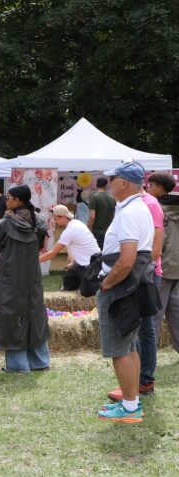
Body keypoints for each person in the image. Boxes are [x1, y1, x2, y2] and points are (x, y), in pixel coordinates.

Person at [96, 161, 158, 423]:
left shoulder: (130, 212)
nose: (110, 183)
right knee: (130, 347)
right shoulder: (138, 207)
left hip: (121, 287)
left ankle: (130, 408)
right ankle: (131, 403)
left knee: (119, 350)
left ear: (123, 182)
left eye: (113, 179)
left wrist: (107, 284)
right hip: (132, 285)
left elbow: (126, 259)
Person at [107, 180, 164, 400]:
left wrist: (132, 273)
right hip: (136, 273)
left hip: (140, 274)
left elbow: (155, 247)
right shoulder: (132, 205)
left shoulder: (148, 204)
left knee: (144, 330)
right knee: (138, 331)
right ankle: (135, 383)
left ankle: (143, 382)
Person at [0, 184, 51, 372]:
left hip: (10, 275)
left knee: (11, 314)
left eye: (8, 198)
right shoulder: (39, 220)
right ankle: (39, 362)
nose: (5, 201)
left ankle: (18, 364)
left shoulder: (6, 223)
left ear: (16, 201)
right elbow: (40, 245)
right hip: (31, 274)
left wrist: (6, 217)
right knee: (34, 314)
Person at [148, 172, 179, 354]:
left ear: (159, 187)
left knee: (154, 314)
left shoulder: (158, 209)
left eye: (151, 186)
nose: (148, 189)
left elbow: (159, 242)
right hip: (177, 267)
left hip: (162, 267)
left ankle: (148, 353)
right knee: (177, 314)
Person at [39, 204, 100, 291]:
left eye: (56, 219)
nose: (55, 222)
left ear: (64, 217)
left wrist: (35, 261)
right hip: (86, 262)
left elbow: (53, 253)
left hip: (90, 265)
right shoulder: (77, 223)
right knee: (68, 281)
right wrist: (73, 262)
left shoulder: (69, 231)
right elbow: (82, 248)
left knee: (87, 292)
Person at [87, 177, 116, 249]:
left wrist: (87, 228)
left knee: (97, 252)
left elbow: (92, 217)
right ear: (106, 186)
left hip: (97, 231)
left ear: (96, 185)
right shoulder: (112, 198)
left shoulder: (94, 197)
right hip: (109, 231)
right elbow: (114, 217)